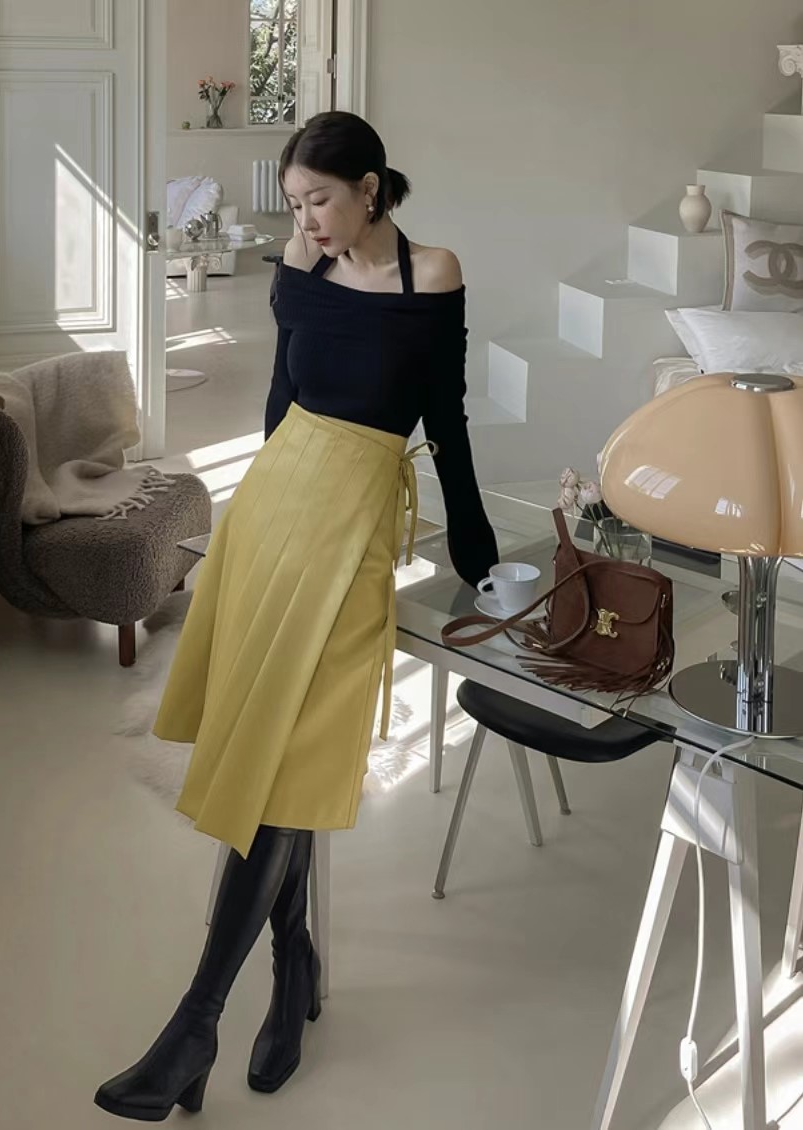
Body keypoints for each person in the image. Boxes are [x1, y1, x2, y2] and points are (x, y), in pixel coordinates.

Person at [94, 110, 499, 1121]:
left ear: (371, 187)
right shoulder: (300, 264)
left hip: (355, 522)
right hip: (275, 509)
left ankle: (194, 1025)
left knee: (286, 764)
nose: (305, 220)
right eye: (293, 202)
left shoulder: (432, 274)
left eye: (319, 199)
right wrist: (249, 519)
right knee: (277, 752)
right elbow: (281, 397)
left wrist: (476, 543)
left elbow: (445, 418)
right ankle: (293, 964)